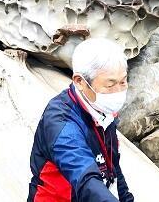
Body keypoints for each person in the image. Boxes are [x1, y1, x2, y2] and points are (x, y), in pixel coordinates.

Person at [28, 38, 134, 202]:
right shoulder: (61, 122)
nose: (119, 91)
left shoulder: (103, 108)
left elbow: (112, 165)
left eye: (123, 81)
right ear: (80, 82)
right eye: (110, 84)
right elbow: (85, 178)